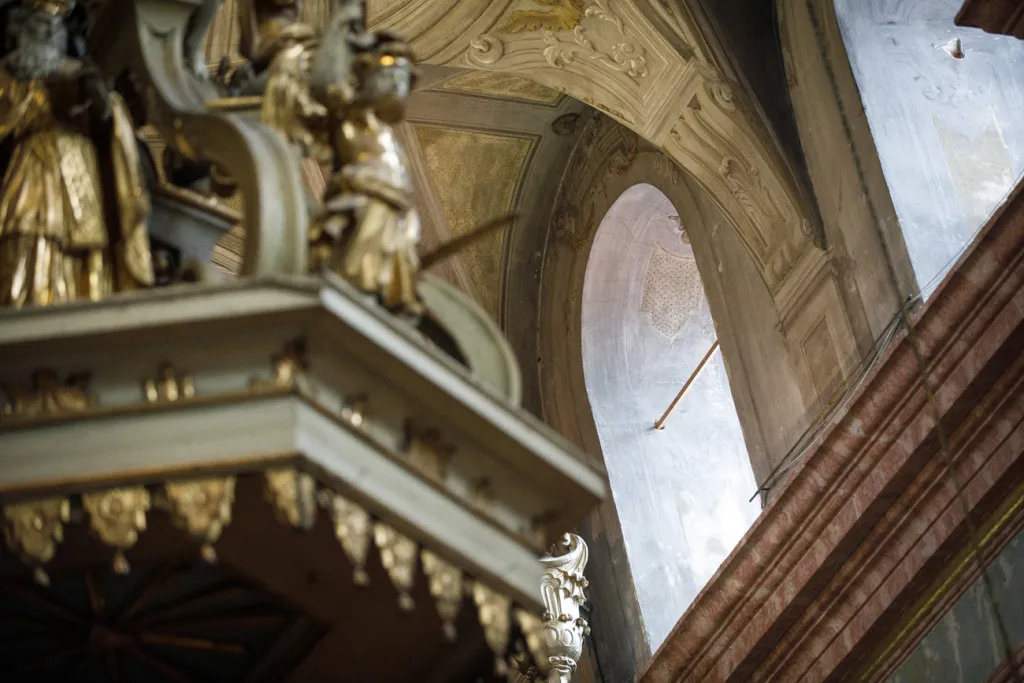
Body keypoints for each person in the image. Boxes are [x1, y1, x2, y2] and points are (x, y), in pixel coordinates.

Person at [0, 0, 153, 308]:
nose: (48, 35)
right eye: (40, 27)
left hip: (85, 182)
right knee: (29, 261)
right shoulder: (11, 76)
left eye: (54, 29)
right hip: (36, 173)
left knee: (88, 276)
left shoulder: (84, 73)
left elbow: (111, 121)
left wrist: (105, 107)